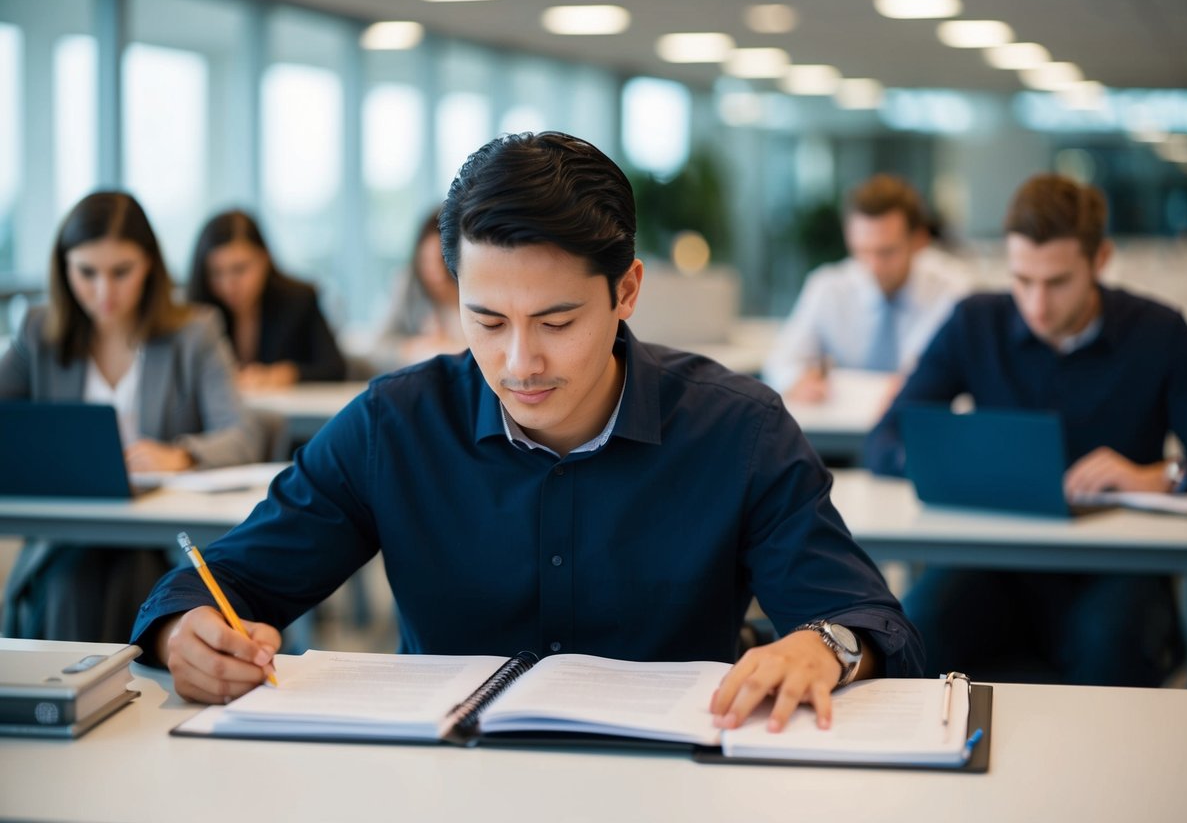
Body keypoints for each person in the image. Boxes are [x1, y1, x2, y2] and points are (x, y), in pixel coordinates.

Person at [133, 132, 923, 731]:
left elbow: (866, 621)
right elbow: (217, 581)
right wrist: (183, 633)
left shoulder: (736, 430)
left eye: (556, 320)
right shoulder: (395, 425)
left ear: (626, 291)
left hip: (678, 781)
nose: (519, 363)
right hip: (444, 784)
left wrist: (826, 645)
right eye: (486, 320)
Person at [865, 173, 1187, 687]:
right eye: (1022, 280)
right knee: (915, 627)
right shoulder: (975, 321)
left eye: (1057, 282)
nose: (1036, 305)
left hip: (1116, 564)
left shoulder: (1160, 332)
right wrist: (950, 465)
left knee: (1109, 641)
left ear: (1100, 260)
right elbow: (884, 438)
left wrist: (1160, 475)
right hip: (995, 560)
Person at [0, 191, 264, 642]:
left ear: (149, 266)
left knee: (135, 583)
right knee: (70, 584)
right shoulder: (38, 332)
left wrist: (181, 455)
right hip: (66, 537)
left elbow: (244, 434)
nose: (104, 291)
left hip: (161, 541)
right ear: (64, 269)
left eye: (121, 272)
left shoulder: (194, 331)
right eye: (87, 273)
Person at [764, 174, 971, 402]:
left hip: (920, 427)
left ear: (918, 241)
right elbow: (781, 363)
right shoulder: (828, 287)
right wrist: (797, 381)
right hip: (843, 427)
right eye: (862, 250)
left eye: (886, 252)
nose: (873, 266)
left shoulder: (953, 292)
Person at [187, 210, 346, 388]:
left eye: (239, 269)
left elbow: (335, 369)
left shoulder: (300, 300)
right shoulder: (197, 312)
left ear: (264, 260)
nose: (228, 285)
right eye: (216, 273)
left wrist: (286, 374)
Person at [372, 207, 466, 371]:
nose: (436, 274)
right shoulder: (409, 286)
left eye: (442, 261)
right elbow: (379, 348)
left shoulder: (476, 288)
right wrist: (412, 348)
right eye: (426, 261)